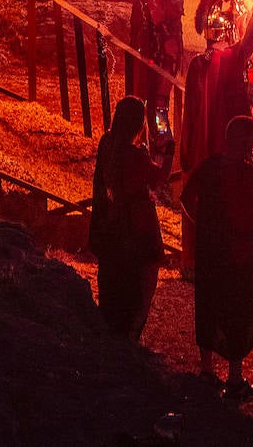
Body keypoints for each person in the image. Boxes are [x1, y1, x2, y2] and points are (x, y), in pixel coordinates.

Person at [181, 115, 253, 403]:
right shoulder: (247, 176)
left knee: (208, 306)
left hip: (209, 250)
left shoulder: (209, 167)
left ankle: (207, 370)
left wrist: (203, 226)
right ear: (241, 142)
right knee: (239, 312)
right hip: (239, 253)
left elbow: (185, 198)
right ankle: (235, 378)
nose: (252, 144)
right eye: (250, 139)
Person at [179, 0, 253, 279]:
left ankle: (192, 263)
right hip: (225, 152)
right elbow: (249, 42)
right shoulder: (230, 57)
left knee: (202, 204)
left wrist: (187, 154)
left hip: (200, 151)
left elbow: (190, 114)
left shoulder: (197, 63)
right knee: (226, 210)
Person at [89, 96, 172, 341]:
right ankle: (133, 334)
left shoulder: (107, 144)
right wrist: (169, 152)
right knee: (144, 281)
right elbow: (158, 179)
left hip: (112, 223)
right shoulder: (134, 155)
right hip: (137, 224)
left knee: (115, 282)